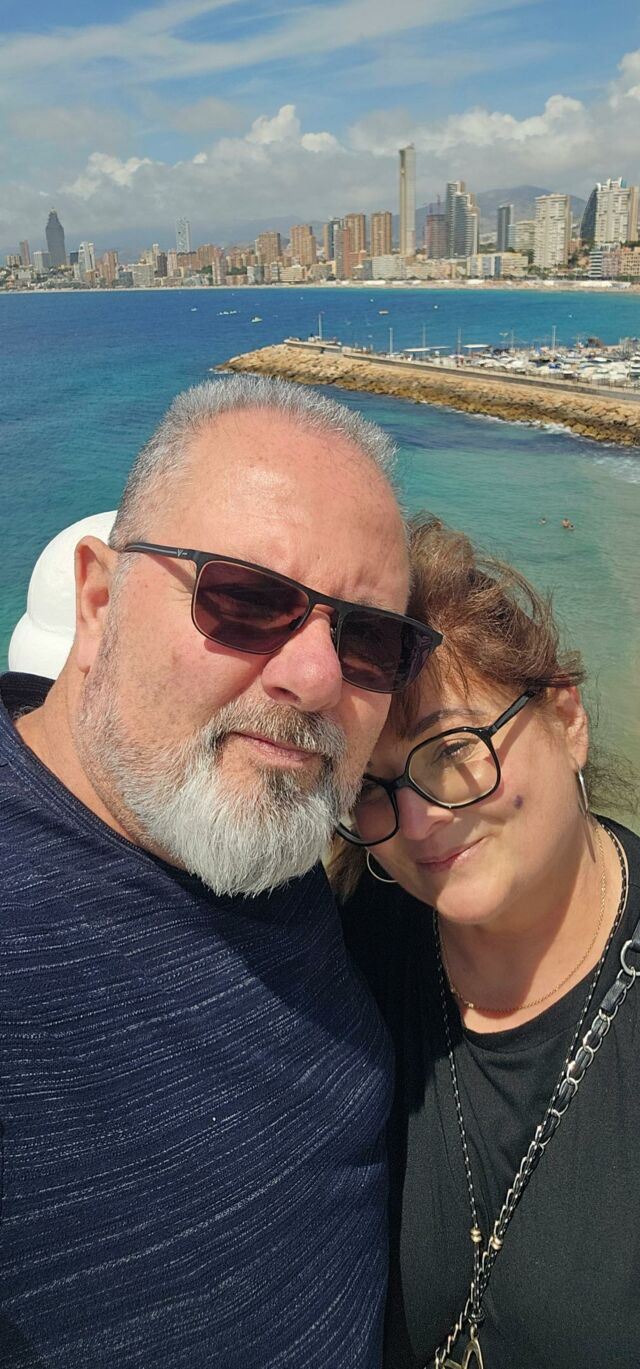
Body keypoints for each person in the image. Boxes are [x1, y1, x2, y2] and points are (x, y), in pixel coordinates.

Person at [0, 376, 442, 1369]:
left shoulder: (276, 845)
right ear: (98, 602)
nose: (314, 678)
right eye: (244, 598)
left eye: (369, 636)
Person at [336, 517, 640, 1369]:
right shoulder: (352, 949)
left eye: (452, 749)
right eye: (372, 786)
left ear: (566, 716)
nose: (419, 821)